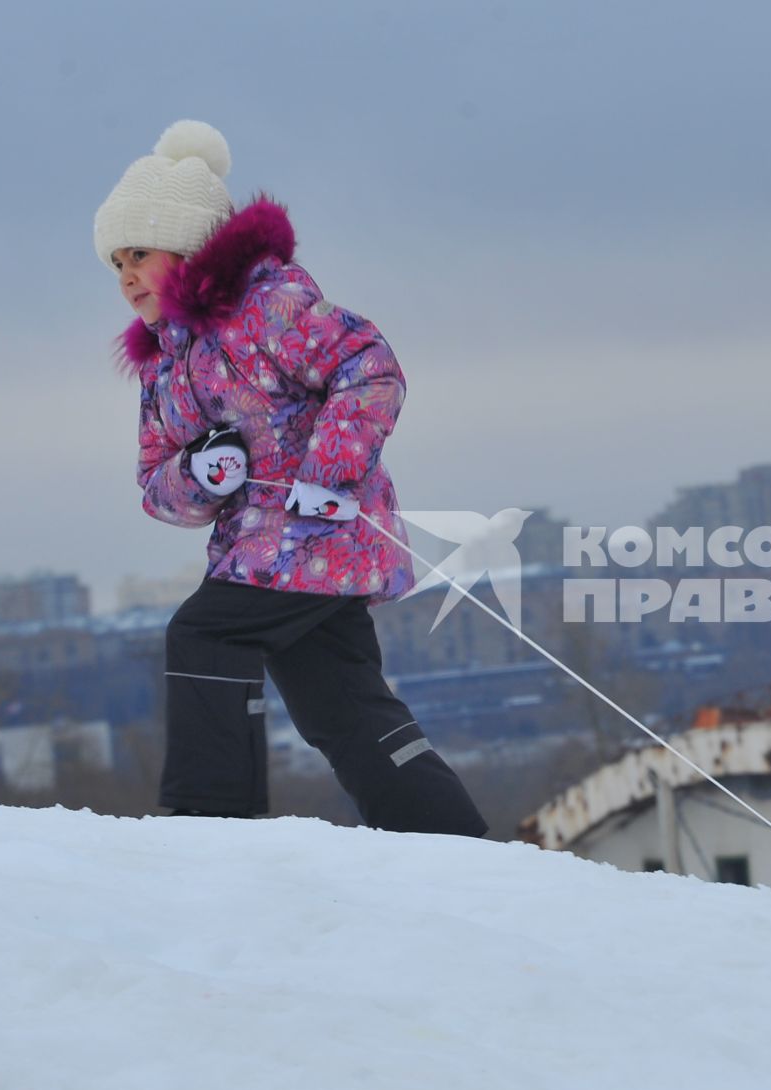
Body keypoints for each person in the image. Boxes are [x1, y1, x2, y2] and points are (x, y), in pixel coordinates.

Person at [95, 119, 488, 837]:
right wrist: (200, 472)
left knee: (203, 636)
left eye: (139, 253)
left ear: (185, 248)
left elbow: (370, 367)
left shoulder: (267, 308)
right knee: (339, 705)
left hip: (313, 537)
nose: (124, 276)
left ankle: (214, 821)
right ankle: (447, 836)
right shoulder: (164, 364)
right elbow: (156, 483)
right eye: (114, 261)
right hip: (267, 551)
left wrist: (328, 477)